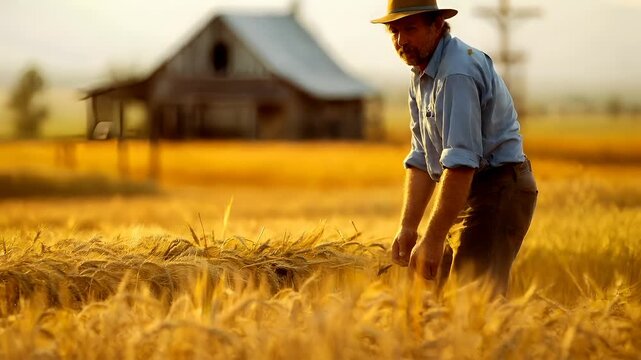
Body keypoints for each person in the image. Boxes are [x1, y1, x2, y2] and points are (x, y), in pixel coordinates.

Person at [371, 0, 538, 296]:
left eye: (410, 29)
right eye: (394, 31)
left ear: (437, 26)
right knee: (440, 300)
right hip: (465, 193)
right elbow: (422, 158)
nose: (401, 40)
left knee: (470, 305)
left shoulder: (455, 75)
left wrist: (433, 238)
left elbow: (461, 163)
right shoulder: (421, 74)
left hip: (497, 190)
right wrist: (409, 227)